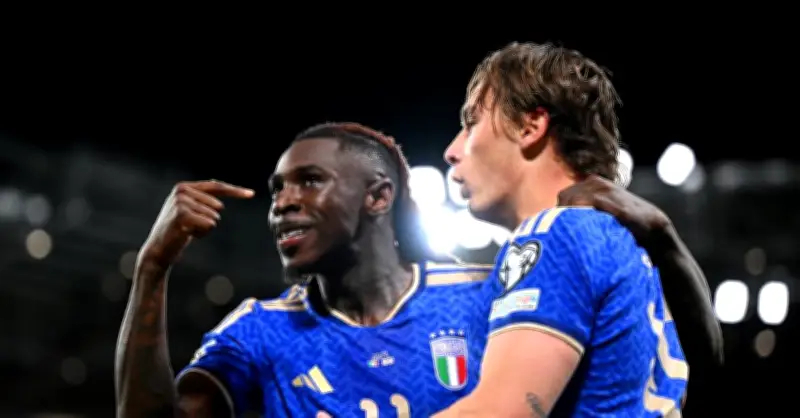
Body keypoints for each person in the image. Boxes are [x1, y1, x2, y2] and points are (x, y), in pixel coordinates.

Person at [114, 122, 497, 417]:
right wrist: (152, 267)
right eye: (278, 189)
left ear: (378, 197)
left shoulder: (481, 295)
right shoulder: (260, 330)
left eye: (310, 181)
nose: (282, 203)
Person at [434, 42, 722, 417]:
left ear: (530, 126)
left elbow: (500, 412)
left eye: (471, 122)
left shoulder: (554, 233)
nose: (452, 150)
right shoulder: (625, 245)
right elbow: (708, 362)